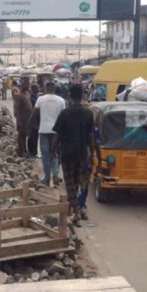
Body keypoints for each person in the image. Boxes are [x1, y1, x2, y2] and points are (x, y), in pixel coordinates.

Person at [51, 84, 95, 225]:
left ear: (70, 95)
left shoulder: (65, 113)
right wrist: (93, 153)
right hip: (82, 154)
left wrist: (52, 152)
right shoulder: (88, 113)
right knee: (76, 183)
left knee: (70, 183)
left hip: (68, 153)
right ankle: (72, 207)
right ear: (82, 96)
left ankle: (75, 211)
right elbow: (91, 136)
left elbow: (58, 135)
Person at [33, 82, 66, 186]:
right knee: (54, 154)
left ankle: (47, 178)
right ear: (55, 89)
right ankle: (55, 176)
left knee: (45, 155)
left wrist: (37, 124)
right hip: (56, 132)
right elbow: (63, 116)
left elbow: (35, 113)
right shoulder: (61, 100)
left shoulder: (40, 99)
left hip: (43, 130)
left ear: (46, 89)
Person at [13, 85, 33, 157]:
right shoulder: (18, 96)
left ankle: (24, 150)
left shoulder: (25, 94)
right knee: (21, 135)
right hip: (22, 119)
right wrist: (19, 121)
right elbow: (17, 109)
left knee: (24, 135)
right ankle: (21, 151)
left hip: (27, 119)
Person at [27, 83, 40, 157]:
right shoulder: (32, 98)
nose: (38, 89)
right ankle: (32, 152)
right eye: (37, 88)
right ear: (34, 89)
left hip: (36, 120)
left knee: (34, 136)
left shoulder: (35, 97)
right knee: (33, 136)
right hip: (33, 120)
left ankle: (33, 152)